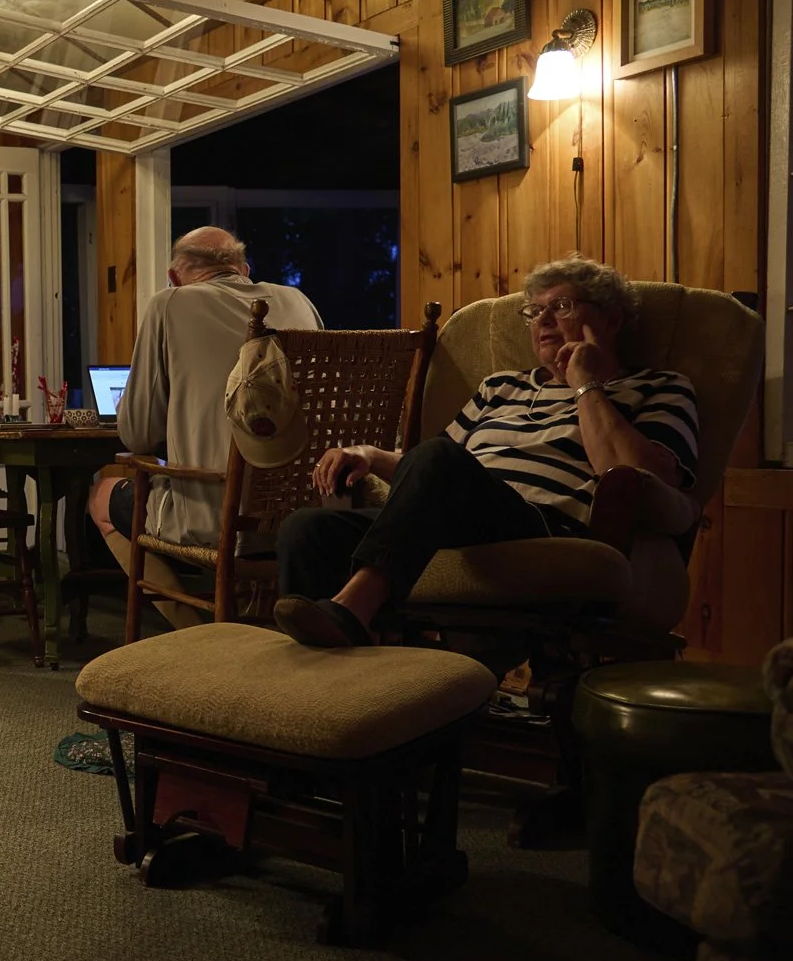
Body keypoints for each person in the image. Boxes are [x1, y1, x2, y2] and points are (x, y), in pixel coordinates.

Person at [272, 256, 699, 648]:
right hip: (456, 515)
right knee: (308, 528)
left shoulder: (659, 387)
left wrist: (585, 383)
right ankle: (328, 680)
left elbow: (639, 475)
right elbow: (426, 475)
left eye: (562, 306)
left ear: (611, 319)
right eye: (535, 311)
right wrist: (368, 454)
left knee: (439, 457)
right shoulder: (501, 386)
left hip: (541, 524)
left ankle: (352, 610)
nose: (543, 319)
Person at [84, 226, 322, 622]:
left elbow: (138, 435)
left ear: (174, 277)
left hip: (214, 516)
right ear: (244, 269)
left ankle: (196, 634)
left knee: (101, 496)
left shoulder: (169, 304)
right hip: (304, 511)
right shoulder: (298, 300)